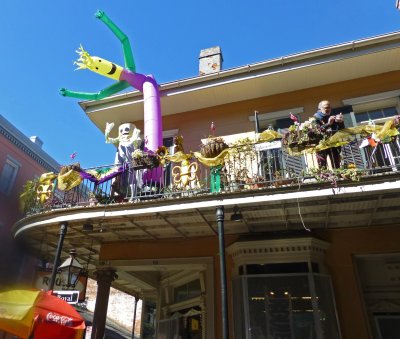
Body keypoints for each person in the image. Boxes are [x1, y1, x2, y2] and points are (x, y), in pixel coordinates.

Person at [313, 100, 345, 168]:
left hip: (333, 144)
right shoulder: (315, 118)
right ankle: (324, 177)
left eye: (329, 107)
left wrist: (340, 122)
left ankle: (338, 175)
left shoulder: (332, 116)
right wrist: (328, 124)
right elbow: (316, 131)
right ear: (320, 109)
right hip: (321, 145)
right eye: (326, 107)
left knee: (336, 164)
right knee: (322, 165)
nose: (328, 109)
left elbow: (341, 131)